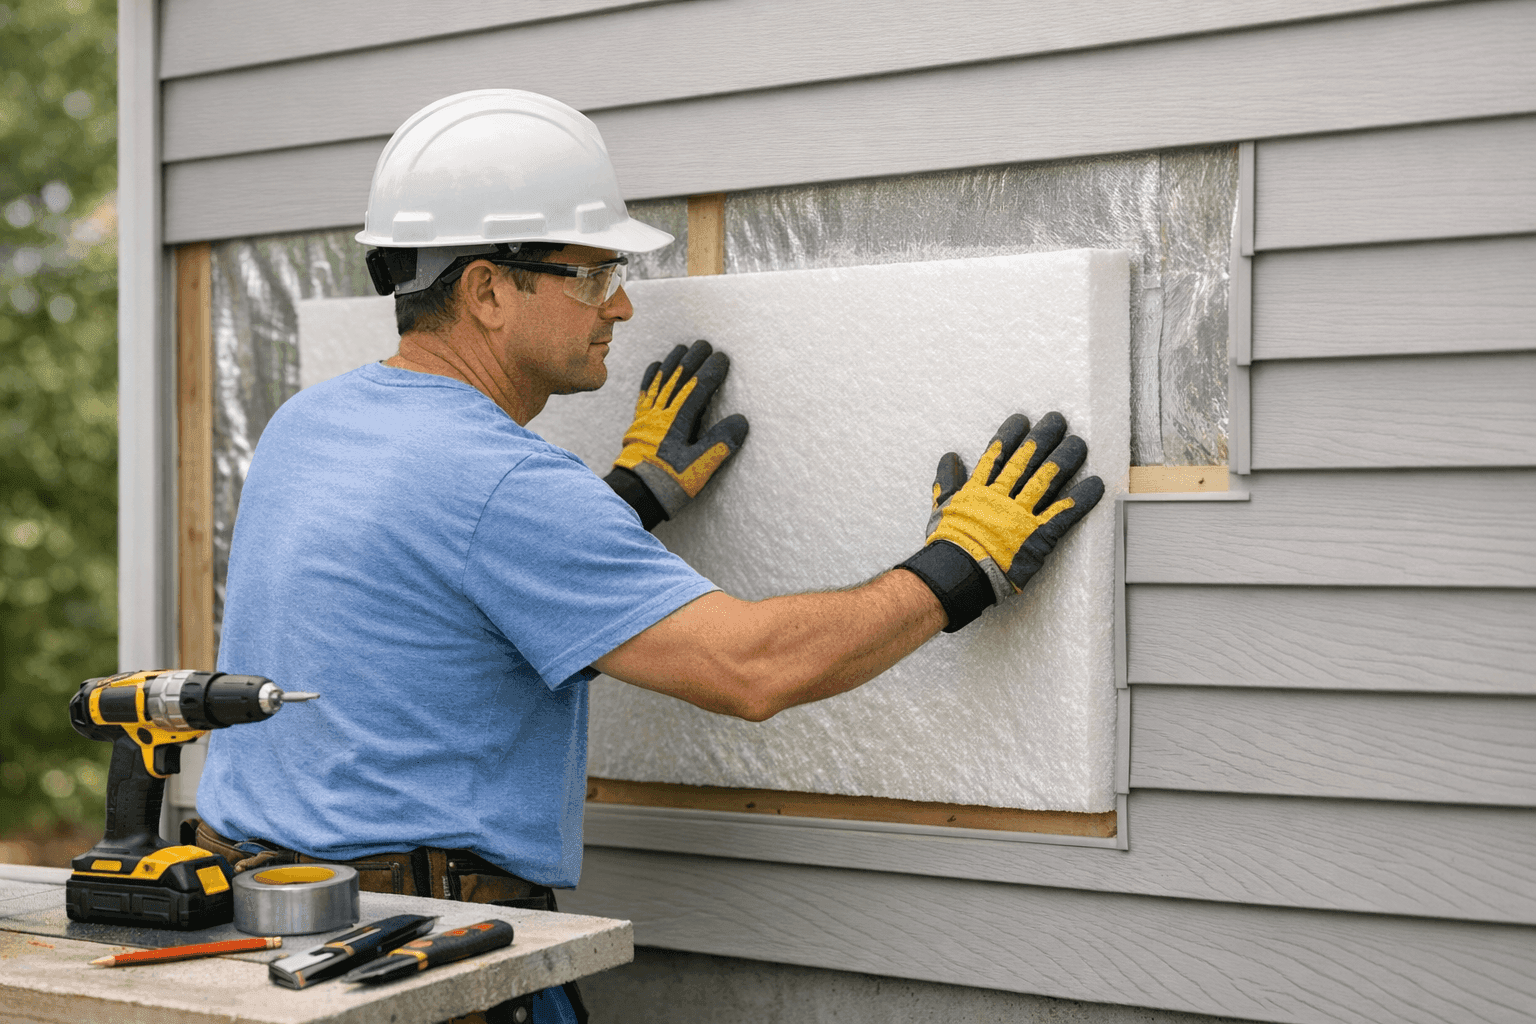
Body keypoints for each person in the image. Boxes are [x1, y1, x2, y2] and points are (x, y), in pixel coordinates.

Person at [192, 90, 1103, 1024]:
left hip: (265, 936)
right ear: (488, 291)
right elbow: (751, 668)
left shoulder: (311, 424)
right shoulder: (506, 483)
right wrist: (957, 564)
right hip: (427, 967)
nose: (621, 305)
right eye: (592, 276)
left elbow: (422, 583)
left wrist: (620, 504)